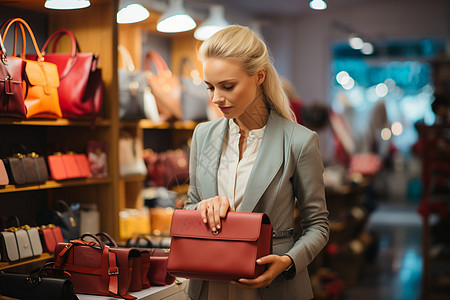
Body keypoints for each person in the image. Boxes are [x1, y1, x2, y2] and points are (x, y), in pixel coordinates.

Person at [184, 25, 329, 300]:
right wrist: (204, 207)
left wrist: (287, 262)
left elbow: (318, 226)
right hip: (209, 283)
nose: (216, 98)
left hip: (273, 286)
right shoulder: (203, 135)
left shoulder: (299, 141)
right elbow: (191, 204)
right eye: (210, 87)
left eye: (227, 86)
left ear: (259, 76)